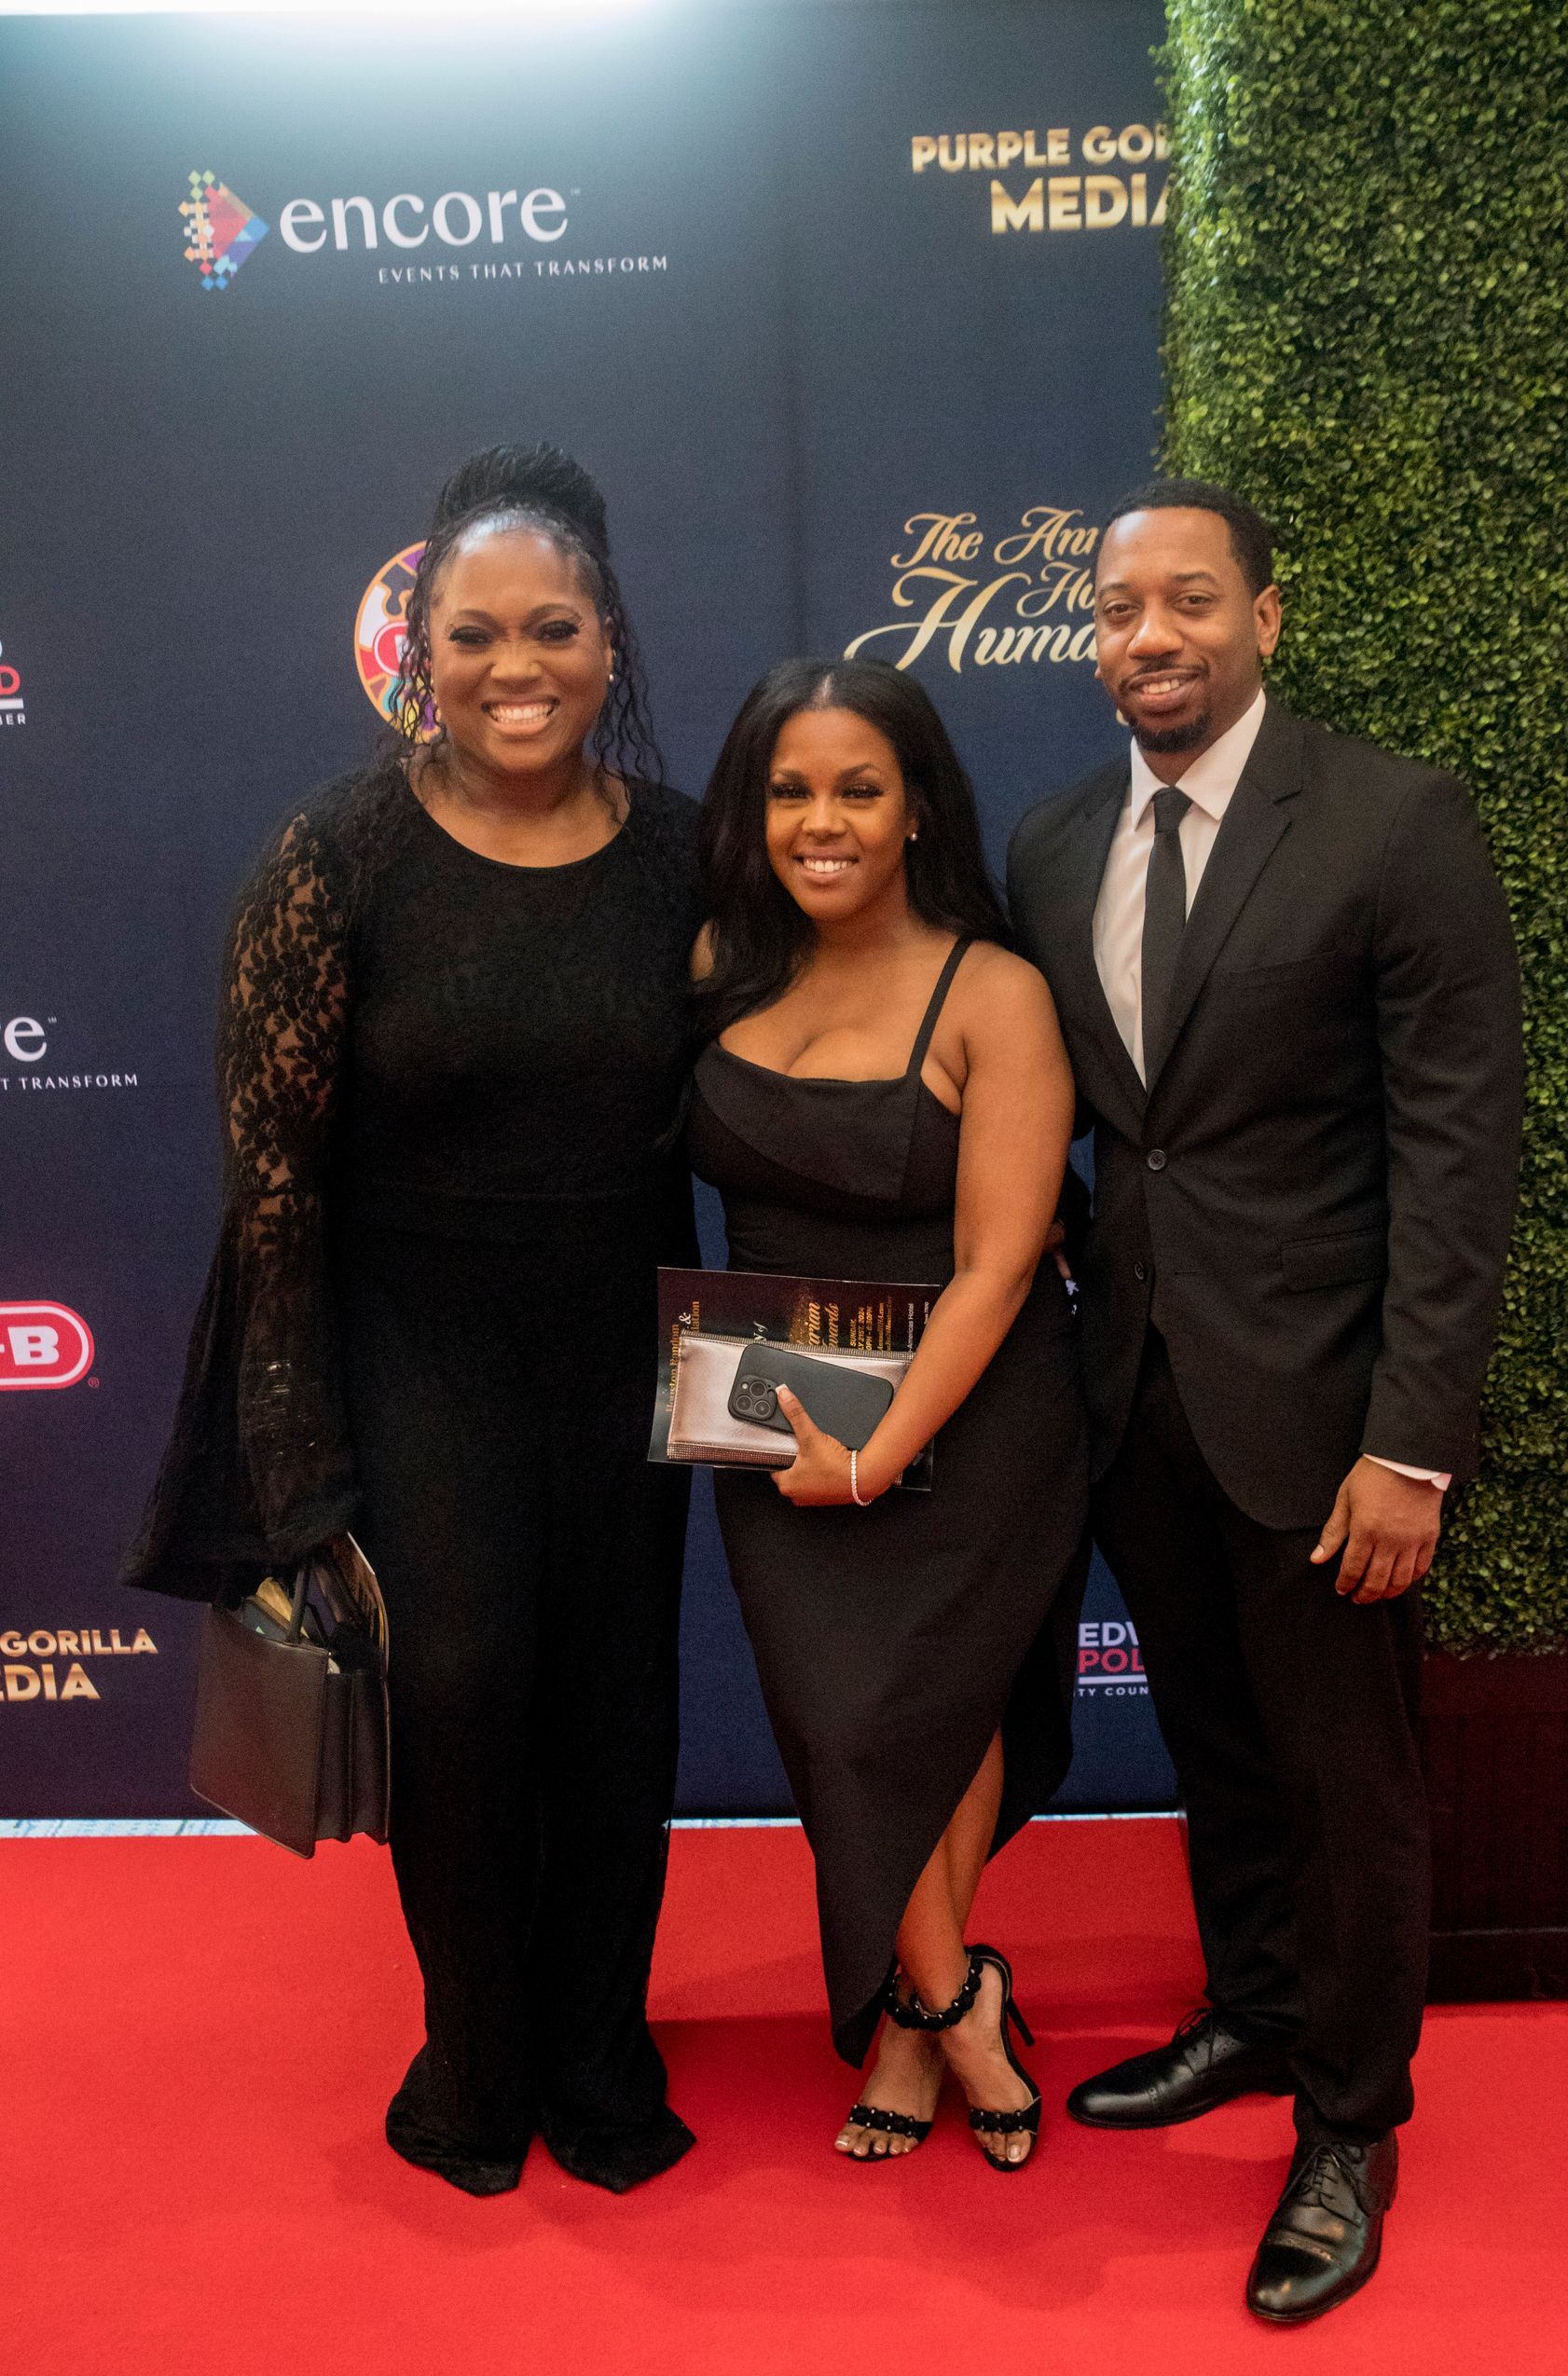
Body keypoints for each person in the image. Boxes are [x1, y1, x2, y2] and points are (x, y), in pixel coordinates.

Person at [126, 444, 704, 2199]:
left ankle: (600, 2054)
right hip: (415, 1354)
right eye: (475, 634)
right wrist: (295, 1459)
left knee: (618, 1716)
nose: (516, 666)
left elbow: (810, 1089)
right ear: (419, 651)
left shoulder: (690, 858)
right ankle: (476, 2054)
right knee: (458, 1700)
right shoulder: (335, 856)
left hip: (629, 1352)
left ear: (609, 641)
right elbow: (273, 1184)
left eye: (553, 629)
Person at [1006, 478, 1523, 2318]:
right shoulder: (1055, 845)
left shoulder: (1394, 821)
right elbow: (1096, 1135)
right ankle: (1252, 2011)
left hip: (1325, 1420)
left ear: (1265, 619)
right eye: (1118, 608)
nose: (1150, 636)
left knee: (1344, 1782)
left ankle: (1350, 2123)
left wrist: (1412, 1447)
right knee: (1215, 1748)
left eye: (1190, 601)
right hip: (1134, 1398)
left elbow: (1457, 1156)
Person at [689, 659, 1088, 2169]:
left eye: (859, 789)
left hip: (970, 1415)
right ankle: (955, 1994)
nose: (823, 821)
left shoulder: (995, 993)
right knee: (843, 1728)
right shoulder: (715, 962)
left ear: (917, 807)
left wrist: (876, 1458)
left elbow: (999, 1266)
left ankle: (926, 2023)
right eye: (790, 790)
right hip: (769, 1395)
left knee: (937, 1710)